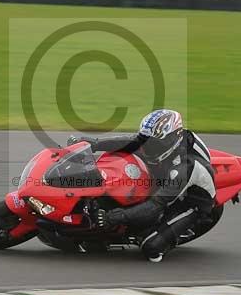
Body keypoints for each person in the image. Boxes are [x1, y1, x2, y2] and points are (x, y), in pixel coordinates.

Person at [67, 109, 215, 262]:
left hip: (190, 201)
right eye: (146, 139)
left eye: (152, 143)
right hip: (168, 172)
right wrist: (95, 144)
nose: (146, 146)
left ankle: (169, 237)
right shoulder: (166, 141)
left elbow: (156, 204)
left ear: (170, 140)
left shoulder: (183, 168)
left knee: (150, 247)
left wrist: (114, 217)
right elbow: (134, 141)